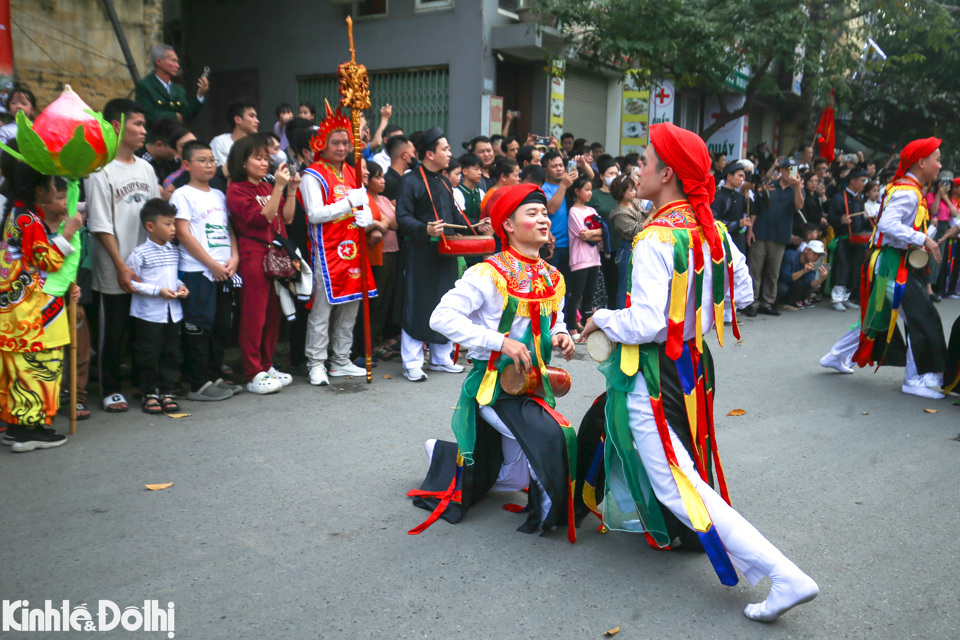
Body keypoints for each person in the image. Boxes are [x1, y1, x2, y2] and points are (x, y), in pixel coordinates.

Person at [579, 122, 818, 623]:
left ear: (667, 173)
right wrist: (695, 317)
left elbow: (644, 323)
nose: (637, 169)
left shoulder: (654, 237)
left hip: (655, 369)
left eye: (644, 161)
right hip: (693, 365)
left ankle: (785, 576)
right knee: (683, 466)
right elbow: (745, 295)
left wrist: (600, 317)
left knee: (677, 480)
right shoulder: (710, 229)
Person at [410, 183, 578, 539]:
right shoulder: (487, 273)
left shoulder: (551, 275)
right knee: (554, 436)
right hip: (495, 386)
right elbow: (441, 318)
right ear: (509, 226)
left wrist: (562, 333)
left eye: (545, 213)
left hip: (536, 383)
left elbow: (554, 319)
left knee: (513, 469)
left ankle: (444, 456)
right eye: (532, 214)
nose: (543, 219)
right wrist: (500, 342)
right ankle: (547, 514)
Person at [820, 137, 947, 400]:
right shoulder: (907, 191)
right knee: (920, 316)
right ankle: (915, 379)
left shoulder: (904, 187)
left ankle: (835, 356)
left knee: (877, 317)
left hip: (888, 260)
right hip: (890, 263)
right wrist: (923, 238)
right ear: (922, 162)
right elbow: (888, 223)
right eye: (937, 159)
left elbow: (883, 218)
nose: (940, 164)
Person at [0, 159, 81, 452]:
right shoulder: (28, 219)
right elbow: (46, 259)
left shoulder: (16, 211)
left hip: (14, 303)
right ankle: (28, 431)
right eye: (50, 184)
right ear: (38, 189)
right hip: (30, 307)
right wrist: (69, 231)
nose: (54, 188)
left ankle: (16, 426)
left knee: (17, 367)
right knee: (39, 365)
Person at [86, 99, 161, 413]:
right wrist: (120, 265)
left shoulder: (146, 168)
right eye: (137, 124)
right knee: (112, 331)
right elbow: (101, 224)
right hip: (114, 266)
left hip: (145, 266)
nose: (144, 130)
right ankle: (110, 387)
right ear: (117, 126)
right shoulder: (99, 169)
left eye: (144, 125)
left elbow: (158, 216)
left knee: (144, 330)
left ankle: (145, 386)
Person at [299, 104, 375, 386]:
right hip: (326, 252)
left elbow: (362, 205)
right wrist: (347, 204)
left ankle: (340, 360)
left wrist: (365, 215)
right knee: (322, 311)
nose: (342, 147)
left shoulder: (353, 172)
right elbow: (315, 214)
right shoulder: (313, 174)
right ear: (322, 143)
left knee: (351, 307)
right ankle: (316, 363)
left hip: (353, 249)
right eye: (336, 142)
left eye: (346, 142)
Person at [226, 135, 300, 394]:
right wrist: (278, 187)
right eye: (257, 158)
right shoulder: (237, 189)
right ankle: (253, 371)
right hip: (253, 254)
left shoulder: (268, 186)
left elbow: (286, 218)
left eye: (265, 157)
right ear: (242, 162)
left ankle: (267, 365)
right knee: (254, 315)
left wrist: (290, 189)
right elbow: (260, 220)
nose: (264, 162)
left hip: (275, 255)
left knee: (272, 314)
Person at [170, 140, 239, 402]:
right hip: (197, 270)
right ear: (186, 164)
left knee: (221, 325)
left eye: (211, 160)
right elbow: (184, 233)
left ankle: (214, 375)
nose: (209, 164)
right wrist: (210, 263)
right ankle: (197, 382)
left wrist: (235, 257)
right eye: (202, 160)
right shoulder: (182, 194)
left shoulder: (219, 194)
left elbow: (228, 229)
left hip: (224, 270)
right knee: (198, 326)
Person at [395, 127, 463, 382]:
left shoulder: (444, 181)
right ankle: (412, 362)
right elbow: (402, 218)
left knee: (445, 302)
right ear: (429, 154)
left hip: (444, 253)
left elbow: (455, 218)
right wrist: (425, 228)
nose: (449, 153)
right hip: (420, 252)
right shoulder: (410, 180)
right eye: (445, 149)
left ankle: (440, 358)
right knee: (417, 304)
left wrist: (477, 225)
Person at [125, 199, 188, 414]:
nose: (173, 228)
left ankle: (167, 391)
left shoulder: (173, 250)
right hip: (149, 314)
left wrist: (181, 286)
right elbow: (131, 282)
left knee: (171, 352)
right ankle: (149, 393)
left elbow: (173, 278)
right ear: (150, 226)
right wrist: (157, 291)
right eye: (168, 224)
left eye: (173, 223)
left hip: (172, 314)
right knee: (148, 354)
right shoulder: (139, 253)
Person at [744, 157, 805, 317]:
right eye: (787, 169)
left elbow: (799, 206)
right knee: (754, 270)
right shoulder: (770, 184)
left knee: (773, 273)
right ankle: (752, 302)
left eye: (794, 169)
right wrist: (750, 229)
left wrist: (797, 186)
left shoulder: (797, 189)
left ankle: (767, 303)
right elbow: (756, 208)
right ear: (781, 170)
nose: (790, 172)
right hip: (760, 232)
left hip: (781, 235)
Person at [365, 162, 400, 356]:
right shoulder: (367, 200)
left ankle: (382, 338)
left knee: (387, 298)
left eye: (382, 177)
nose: (382, 181)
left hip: (393, 251)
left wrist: (387, 220)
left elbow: (393, 225)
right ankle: (373, 343)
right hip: (378, 254)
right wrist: (382, 223)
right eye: (377, 177)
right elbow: (377, 224)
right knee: (376, 301)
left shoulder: (385, 200)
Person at [826, 169, 869, 311]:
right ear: (853, 180)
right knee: (842, 268)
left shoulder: (859, 198)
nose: (864, 183)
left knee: (854, 269)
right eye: (862, 180)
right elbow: (830, 218)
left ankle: (846, 297)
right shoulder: (839, 197)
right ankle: (836, 299)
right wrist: (841, 220)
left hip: (858, 239)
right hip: (844, 239)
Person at [134, 44, 208, 125]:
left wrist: (200, 95)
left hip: (175, 135)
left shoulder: (178, 89)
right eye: (173, 61)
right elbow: (148, 114)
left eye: (177, 62)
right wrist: (175, 116)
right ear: (159, 62)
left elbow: (187, 115)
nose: (177, 66)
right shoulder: (144, 86)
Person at [566, 176, 602, 339]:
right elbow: (583, 235)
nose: (589, 193)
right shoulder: (573, 212)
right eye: (586, 190)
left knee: (589, 295)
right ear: (577, 191)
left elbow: (603, 231)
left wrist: (595, 234)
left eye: (590, 190)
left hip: (594, 258)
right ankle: (572, 327)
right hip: (580, 259)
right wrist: (597, 234)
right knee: (576, 294)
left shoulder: (591, 211)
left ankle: (587, 327)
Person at [541, 151, 577, 306]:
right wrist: (563, 185)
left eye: (561, 165)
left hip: (569, 244)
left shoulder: (568, 185)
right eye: (554, 166)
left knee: (567, 287)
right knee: (550, 287)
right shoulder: (545, 188)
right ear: (545, 170)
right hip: (551, 246)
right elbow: (551, 209)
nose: (559, 169)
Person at [608, 173, 647, 308]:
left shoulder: (633, 202)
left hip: (639, 247)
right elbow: (637, 230)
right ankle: (621, 315)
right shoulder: (619, 213)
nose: (633, 192)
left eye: (633, 189)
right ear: (621, 193)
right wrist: (653, 214)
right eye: (630, 190)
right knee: (625, 287)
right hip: (627, 251)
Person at [589, 155, 621, 309]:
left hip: (619, 246)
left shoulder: (621, 195)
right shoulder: (594, 195)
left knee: (615, 285)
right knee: (598, 285)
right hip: (598, 247)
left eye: (617, 173)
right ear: (601, 176)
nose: (615, 177)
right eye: (611, 173)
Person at [925, 177, 959, 300]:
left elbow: (954, 214)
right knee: (930, 257)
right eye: (943, 182)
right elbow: (932, 210)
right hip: (933, 225)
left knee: (938, 258)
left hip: (944, 227)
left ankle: (932, 287)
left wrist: (945, 198)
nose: (945, 185)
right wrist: (939, 195)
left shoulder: (949, 198)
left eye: (948, 183)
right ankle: (928, 289)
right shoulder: (930, 195)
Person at [712, 161, 750, 254]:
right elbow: (714, 222)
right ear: (729, 176)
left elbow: (753, 210)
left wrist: (762, 195)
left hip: (739, 242)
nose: (742, 179)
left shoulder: (740, 196)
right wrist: (737, 224)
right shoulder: (718, 197)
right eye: (740, 176)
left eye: (743, 177)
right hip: (724, 243)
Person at [777, 240, 829, 308]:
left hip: (790, 284)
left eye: (819, 255)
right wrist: (803, 271)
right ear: (806, 250)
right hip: (777, 283)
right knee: (783, 288)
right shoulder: (790, 255)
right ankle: (772, 303)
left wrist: (822, 278)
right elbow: (785, 278)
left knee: (802, 286)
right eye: (814, 253)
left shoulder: (811, 263)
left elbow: (809, 284)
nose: (816, 257)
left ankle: (783, 303)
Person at [211, 99, 259, 166]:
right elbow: (222, 172)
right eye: (251, 116)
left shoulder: (258, 144)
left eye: (256, 117)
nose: (257, 121)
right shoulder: (220, 142)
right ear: (237, 119)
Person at [137, 117, 182, 185]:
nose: (176, 153)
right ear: (159, 145)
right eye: (174, 148)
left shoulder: (172, 160)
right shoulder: (141, 163)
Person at [454, 153, 485, 226]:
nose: (480, 173)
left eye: (480, 169)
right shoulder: (457, 192)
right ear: (465, 171)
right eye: (476, 169)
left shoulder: (480, 192)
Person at [383, 135, 415, 203]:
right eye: (413, 152)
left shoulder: (404, 179)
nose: (414, 156)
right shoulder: (388, 182)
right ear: (404, 154)